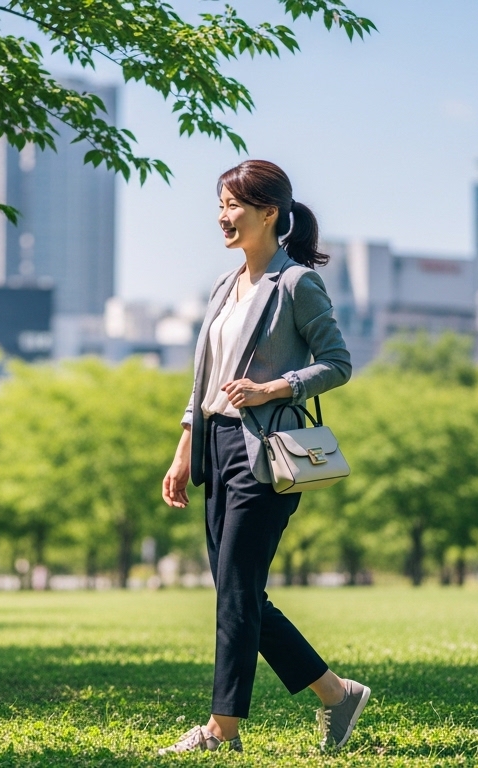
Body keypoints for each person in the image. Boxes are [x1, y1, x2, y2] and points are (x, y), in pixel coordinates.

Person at [158, 160, 368, 755]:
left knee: (237, 590)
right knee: (238, 590)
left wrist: (272, 388)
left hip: (267, 453)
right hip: (215, 447)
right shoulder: (225, 287)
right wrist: (182, 453)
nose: (224, 217)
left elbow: (339, 363)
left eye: (234, 206)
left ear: (269, 213)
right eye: (220, 206)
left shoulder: (297, 283)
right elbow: (204, 384)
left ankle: (221, 731)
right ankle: (335, 693)